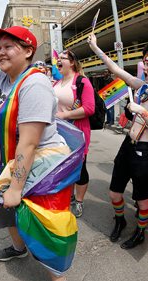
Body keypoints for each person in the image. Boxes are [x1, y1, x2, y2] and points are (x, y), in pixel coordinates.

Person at [0, 26, 76, 281]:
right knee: (6, 211)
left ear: (28, 51)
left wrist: (15, 187)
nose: (0, 51)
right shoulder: (0, 78)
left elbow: (29, 143)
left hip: (42, 166)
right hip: (10, 161)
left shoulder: (34, 84)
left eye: (8, 46)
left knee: (44, 224)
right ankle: (18, 250)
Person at [88, 33, 148, 249]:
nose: (144, 69)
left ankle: (140, 231)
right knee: (114, 192)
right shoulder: (144, 87)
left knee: (142, 198)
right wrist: (95, 48)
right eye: (144, 65)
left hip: (146, 152)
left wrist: (143, 113)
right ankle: (120, 220)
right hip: (128, 145)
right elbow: (116, 70)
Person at [54, 49, 95, 218]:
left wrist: (65, 115)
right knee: (63, 165)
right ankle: (68, 196)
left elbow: (89, 108)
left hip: (76, 131)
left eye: (63, 58)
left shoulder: (82, 81)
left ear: (71, 63)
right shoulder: (56, 83)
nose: (59, 60)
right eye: (59, 58)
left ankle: (78, 201)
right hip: (58, 132)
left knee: (79, 168)